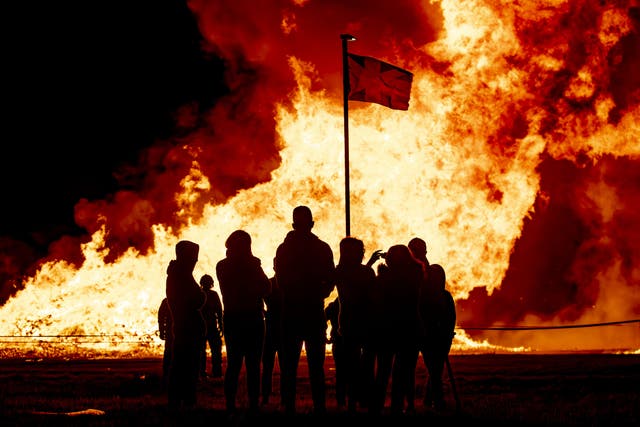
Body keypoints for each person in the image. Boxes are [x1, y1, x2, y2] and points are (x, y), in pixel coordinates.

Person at [274, 205, 336, 415]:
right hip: (310, 311)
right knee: (314, 365)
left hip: (293, 312)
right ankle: (318, 405)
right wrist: (320, 293)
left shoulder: (284, 249)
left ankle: (288, 405)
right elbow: (330, 279)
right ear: (312, 224)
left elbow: (280, 280)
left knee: (290, 365)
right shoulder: (321, 248)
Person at [216, 229, 272, 415]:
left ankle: (238, 404)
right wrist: (252, 266)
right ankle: (246, 404)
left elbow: (266, 287)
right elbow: (264, 287)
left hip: (240, 318)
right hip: (247, 318)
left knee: (241, 364)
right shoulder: (244, 265)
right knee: (246, 365)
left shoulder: (225, 265)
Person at [371, 244, 424, 415]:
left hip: (390, 328)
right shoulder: (416, 273)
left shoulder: (386, 278)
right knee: (400, 372)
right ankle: (396, 406)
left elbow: (373, 292)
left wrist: (375, 266)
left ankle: (379, 406)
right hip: (408, 328)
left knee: (385, 371)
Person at [333, 236, 378, 413]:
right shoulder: (344, 272)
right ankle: (356, 399)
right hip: (352, 323)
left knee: (362, 364)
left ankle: (359, 399)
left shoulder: (343, 271)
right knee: (354, 365)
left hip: (360, 323)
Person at [165, 240, 206, 411]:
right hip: (186, 328)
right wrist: (202, 295)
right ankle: (183, 398)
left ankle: (184, 397)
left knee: (185, 364)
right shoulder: (181, 276)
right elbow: (196, 299)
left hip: (187, 327)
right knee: (185, 364)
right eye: (193, 257)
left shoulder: (180, 274)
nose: (196, 261)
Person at [421, 263, 456, 411]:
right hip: (428, 338)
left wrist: (447, 333)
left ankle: (428, 400)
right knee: (434, 369)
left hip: (443, 338)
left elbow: (451, 317)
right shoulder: (423, 296)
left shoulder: (446, 296)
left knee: (436, 369)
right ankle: (438, 401)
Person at [261, 275, 283, 406]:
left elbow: (259, 297)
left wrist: (264, 312)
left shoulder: (268, 282)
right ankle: (285, 398)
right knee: (285, 366)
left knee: (268, 366)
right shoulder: (288, 283)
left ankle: (265, 396)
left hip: (271, 326)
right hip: (281, 326)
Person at [199, 274, 224, 379]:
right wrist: (221, 325)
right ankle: (216, 372)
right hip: (210, 326)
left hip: (201, 327)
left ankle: (202, 372)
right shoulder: (213, 295)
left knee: (201, 351)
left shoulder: (199, 294)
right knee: (216, 350)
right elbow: (219, 311)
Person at [324, 296, 346, 409]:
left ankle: (341, 399)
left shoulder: (332, 306)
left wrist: (325, 337)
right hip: (347, 342)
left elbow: (322, 319)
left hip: (338, 342)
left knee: (340, 372)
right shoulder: (352, 304)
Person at [157, 297, 173, 387]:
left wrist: (161, 330)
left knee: (168, 353)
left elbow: (161, 317)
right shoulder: (186, 299)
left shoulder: (166, 301)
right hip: (180, 331)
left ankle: (166, 374)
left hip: (171, 331)